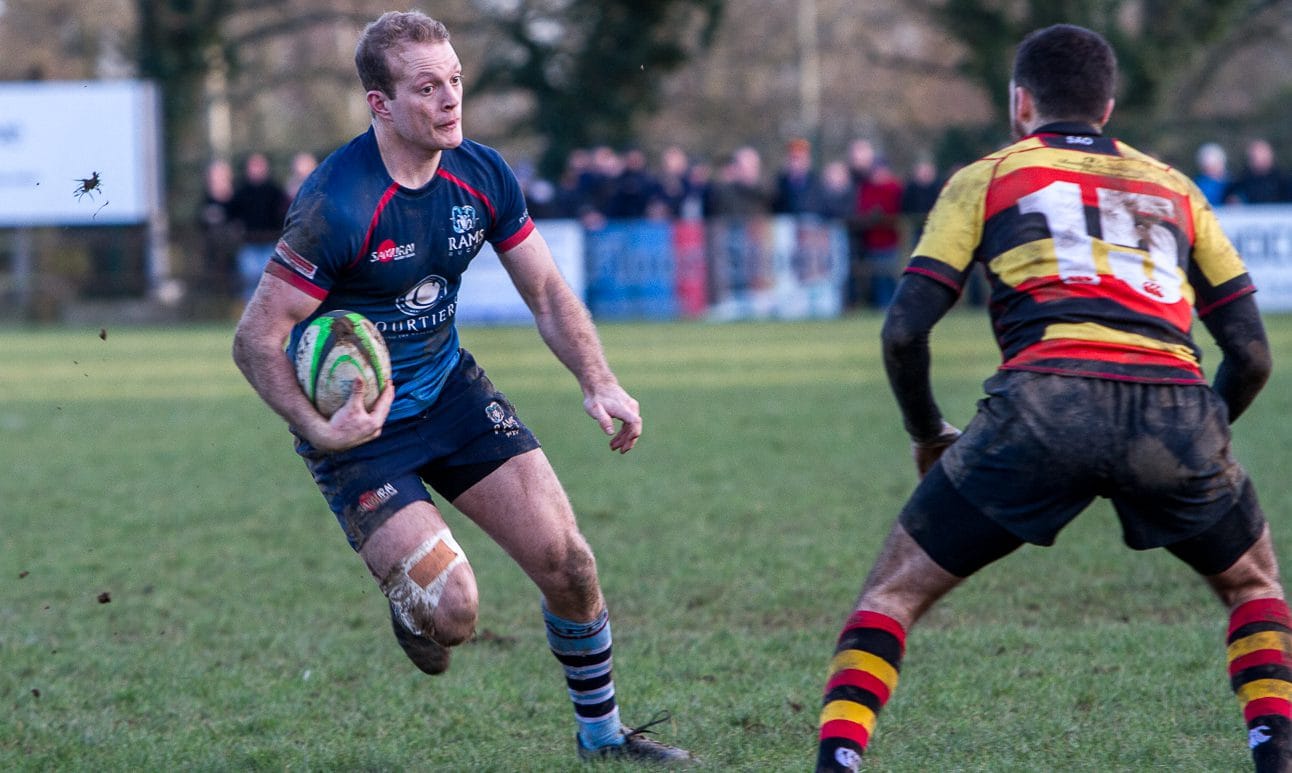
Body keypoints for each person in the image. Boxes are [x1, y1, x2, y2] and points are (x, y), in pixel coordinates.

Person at [815, 24, 1285, 773]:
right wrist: (1201, 428)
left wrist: (929, 432)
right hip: (1172, 412)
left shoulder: (987, 176)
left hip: (1042, 409)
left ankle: (838, 760)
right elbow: (1253, 354)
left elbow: (903, 332)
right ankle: (1276, 757)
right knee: (1254, 585)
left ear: (1021, 103)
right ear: (1108, 106)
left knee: (893, 594)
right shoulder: (1175, 186)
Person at [231, 11, 691, 764]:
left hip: (451, 391)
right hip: (361, 430)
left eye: (455, 81)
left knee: (570, 564)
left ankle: (603, 737)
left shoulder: (480, 174)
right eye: (426, 88)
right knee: (453, 615)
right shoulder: (337, 203)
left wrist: (598, 380)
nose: (450, 100)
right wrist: (317, 429)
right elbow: (255, 339)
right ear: (380, 104)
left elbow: (547, 291)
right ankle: (415, 603)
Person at [228, 151, 289, 303]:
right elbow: (231, 214)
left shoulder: (275, 191)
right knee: (249, 283)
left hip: (270, 245)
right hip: (249, 244)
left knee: (269, 285)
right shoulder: (241, 192)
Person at [1229, 138, 1289, 204]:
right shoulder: (1242, 180)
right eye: (1253, 156)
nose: (1257, 159)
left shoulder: (1283, 179)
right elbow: (1231, 197)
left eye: (1260, 154)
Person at [1194, 141, 1231, 206]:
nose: (1212, 171)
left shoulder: (1231, 183)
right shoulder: (1198, 185)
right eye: (1209, 167)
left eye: (1215, 166)